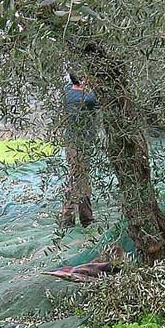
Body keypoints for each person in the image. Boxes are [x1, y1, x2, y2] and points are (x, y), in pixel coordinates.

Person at [60, 73, 98, 228]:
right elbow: (95, 98)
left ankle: (82, 217)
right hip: (78, 144)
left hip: (75, 143)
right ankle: (72, 219)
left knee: (79, 178)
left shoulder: (67, 91)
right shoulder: (87, 98)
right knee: (78, 180)